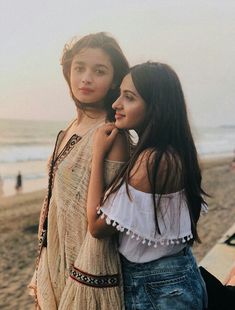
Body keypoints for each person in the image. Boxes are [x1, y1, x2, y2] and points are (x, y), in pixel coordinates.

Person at [87, 62, 208, 309]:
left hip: (159, 289)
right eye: (119, 94)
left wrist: (97, 155)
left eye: (128, 97)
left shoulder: (152, 161)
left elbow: (96, 225)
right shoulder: (175, 152)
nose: (116, 104)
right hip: (174, 280)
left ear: (156, 107)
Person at [28, 32, 130, 309]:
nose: (86, 78)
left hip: (86, 272)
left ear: (113, 82)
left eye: (99, 71)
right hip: (53, 261)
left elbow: (107, 218)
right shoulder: (69, 128)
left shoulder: (111, 135)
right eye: (79, 68)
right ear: (68, 72)